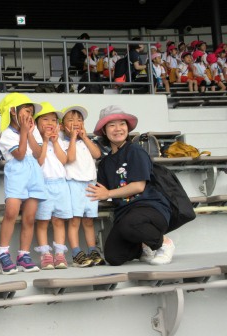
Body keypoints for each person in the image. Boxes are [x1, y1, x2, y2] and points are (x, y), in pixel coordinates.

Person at [87, 105, 175, 266]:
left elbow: (138, 187)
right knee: (113, 257)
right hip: (125, 214)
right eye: (112, 125)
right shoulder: (106, 163)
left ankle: (164, 243)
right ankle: (144, 246)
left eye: (122, 124)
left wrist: (108, 194)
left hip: (151, 208)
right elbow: (101, 190)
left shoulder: (135, 151)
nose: (118, 129)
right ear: (104, 131)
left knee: (130, 224)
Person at [0, 93, 45, 274]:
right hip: (17, 174)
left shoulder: (34, 131)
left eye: (31, 112)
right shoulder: (7, 135)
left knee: (30, 216)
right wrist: (24, 133)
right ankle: (3, 253)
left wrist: (30, 133)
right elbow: (20, 154)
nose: (29, 114)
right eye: (26, 110)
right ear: (12, 111)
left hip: (34, 175)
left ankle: (23, 254)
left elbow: (38, 153)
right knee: (11, 212)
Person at [61, 105, 103, 267]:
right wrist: (72, 137)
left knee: (89, 220)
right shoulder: (61, 141)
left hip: (90, 184)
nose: (76, 123)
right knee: (74, 220)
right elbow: (69, 159)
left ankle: (92, 249)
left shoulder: (86, 140)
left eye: (79, 120)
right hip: (73, 183)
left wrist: (85, 137)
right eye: (71, 120)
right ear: (63, 125)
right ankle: (76, 252)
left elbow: (97, 154)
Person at [33, 102, 71, 270]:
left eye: (54, 120)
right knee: (42, 221)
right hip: (43, 185)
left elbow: (64, 160)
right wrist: (45, 141)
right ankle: (45, 255)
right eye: (45, 119)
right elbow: (39, 161)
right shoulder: (34, 142)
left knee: (58, 220)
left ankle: (59, 254)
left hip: (60, 185)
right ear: (36, 123)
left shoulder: (60, 141)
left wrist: (54, 142)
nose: (50, 123)